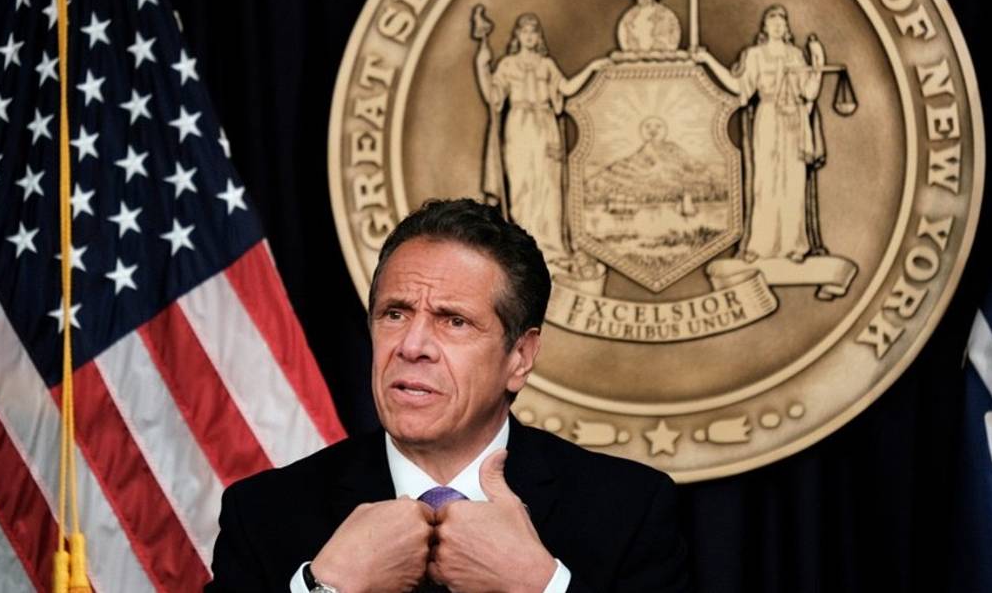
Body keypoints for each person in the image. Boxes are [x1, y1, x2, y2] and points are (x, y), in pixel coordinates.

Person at [206, 198, 690, 592]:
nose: (411, 346)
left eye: (454, 321)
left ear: (520, 357)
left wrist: (539, 587)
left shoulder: (628, 510)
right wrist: (326, 589)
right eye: (395, 313)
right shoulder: (265, 512)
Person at [474, 14, 609, 271]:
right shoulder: (508, 65)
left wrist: (592, 68)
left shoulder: (546, 65)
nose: (529, 36)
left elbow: (566, 88)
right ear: (518, 35)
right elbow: (493, 97)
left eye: (534, 32)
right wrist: (482, 67)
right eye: (525, 32)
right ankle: (525, 248)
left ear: (538, 37)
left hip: (546, 128)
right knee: (521, 188)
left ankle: (552, 249)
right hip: (519, 128)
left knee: (549, 188)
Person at [694, 4, 824, 262]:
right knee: (765, 182)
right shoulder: (755, 55)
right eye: (772, 21)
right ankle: (761, 246)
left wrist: (818, 63)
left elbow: (809, 92)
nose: (777, 25)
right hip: (768, 119)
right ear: (764, 27)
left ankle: (794, 246)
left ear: (786, 27)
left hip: (794, 123)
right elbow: (739, 87)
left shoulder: (796, 56)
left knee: (794, 182)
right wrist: (708, 60)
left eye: (781, 21)